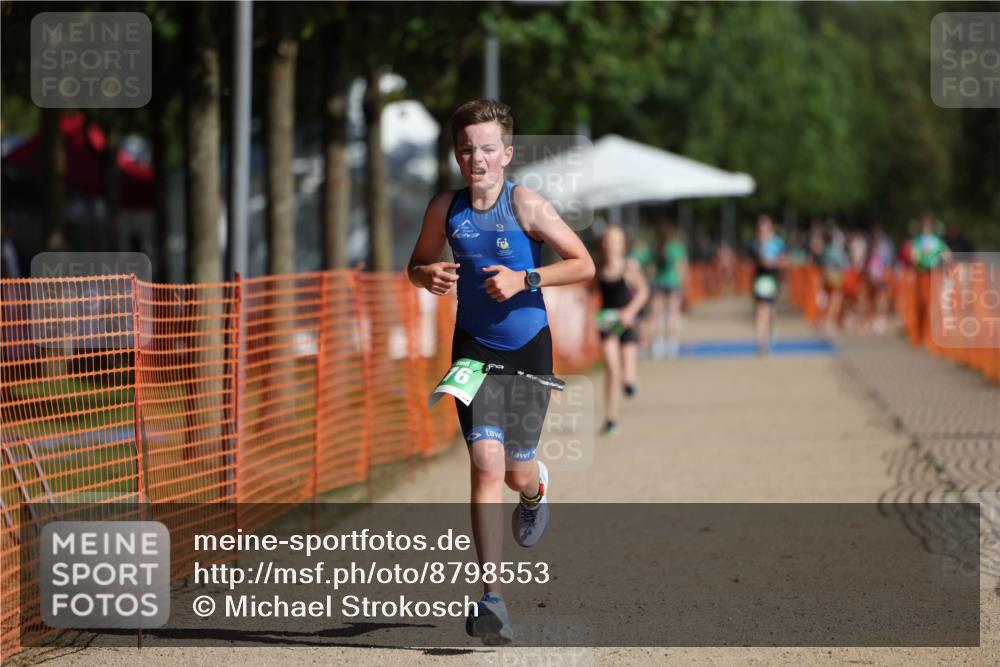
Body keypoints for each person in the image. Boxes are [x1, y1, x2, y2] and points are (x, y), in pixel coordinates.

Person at [407, 99, 594, 645]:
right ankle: (492, 598)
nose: (477, 158)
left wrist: (525, 279)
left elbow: (583, 263)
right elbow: (415, 265)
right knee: (484, 464)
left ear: (507, 154)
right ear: (456, 154)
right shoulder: (444, 208)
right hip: (472, 349)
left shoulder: (527, 204)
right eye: (467, 149)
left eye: (488, 148)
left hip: (528, 350)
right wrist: (426, 274)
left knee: (515, 472)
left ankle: (535, 491)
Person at [593, 225, 650, 436]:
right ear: (603, 245)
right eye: (608, 241)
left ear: (623, 245)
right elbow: (589, 290)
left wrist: (629, 312)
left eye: (616, 242)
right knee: (612, 370)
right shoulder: (598, 267)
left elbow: (643, 292)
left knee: (626, 379)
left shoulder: (629, 268)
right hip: (607, 323)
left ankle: (630, 381)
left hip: (626, 324)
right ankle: (611, 419)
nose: (611, 246)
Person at [910, 210, 952, 345]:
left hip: (934, 275)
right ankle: (918, 335)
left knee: (931, 305)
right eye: (926, 224)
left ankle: (929, 335)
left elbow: (947, 254)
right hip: (921, 274)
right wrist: (918, 259)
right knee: (920, 304)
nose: (928, 226)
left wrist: (943, 261)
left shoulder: (937, 241)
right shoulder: (918, 241)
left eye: (930, 224)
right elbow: (914, 256)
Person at [651, 223, 687, 359]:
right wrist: (683, 284)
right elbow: (681, 267)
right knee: (673, 314)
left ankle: (658, 345)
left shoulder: (656, 246)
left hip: (659, 282)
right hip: (673, 283)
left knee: (657, 315)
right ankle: (672, 345)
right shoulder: (676, 248)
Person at [750, 214, 785, 354]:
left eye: (765, 228)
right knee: (761, 311)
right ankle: (760, 343)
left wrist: (775, 263)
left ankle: (768, 333)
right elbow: (760, 261)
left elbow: (783, 261)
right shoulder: (755, 244)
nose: (763, 231)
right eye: (760, 229)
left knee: (770, 313)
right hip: (761, 281)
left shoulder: (778, 243)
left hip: (774, 280)